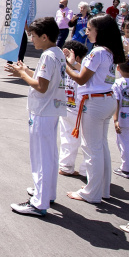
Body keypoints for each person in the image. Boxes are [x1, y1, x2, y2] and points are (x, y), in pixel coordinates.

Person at [5, 17, 65, 217]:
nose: (31, 39)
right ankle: (46, 192)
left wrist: (22, 75)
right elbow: (43, 78)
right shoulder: (57, 53)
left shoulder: (48, 56)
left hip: (42, 111)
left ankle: (39, 202)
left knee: (41, 157)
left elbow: (41, 86)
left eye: (33, 36)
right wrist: (25, 71)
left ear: (45, 37)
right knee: (49, 155)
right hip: (51, 110)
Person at [62, 14, 123, 204]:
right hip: (106, 100)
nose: (86, 32)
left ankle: (92, 192)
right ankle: (101, 188)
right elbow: (89, 72)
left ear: (100, 31)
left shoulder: (97, 52)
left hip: (94, 104)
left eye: (89, 29)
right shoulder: (109, 51)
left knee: (91, 149)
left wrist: (65, 65)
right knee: (101, 146)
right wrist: (72, 63)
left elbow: (81, 78)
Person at [58, 40, 87, 178]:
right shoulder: (81, 73)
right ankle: (86, 170)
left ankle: (66, 166)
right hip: (79, 112)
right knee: (86, 141)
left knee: (67, 138)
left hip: (66, 108)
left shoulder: (63, 70)